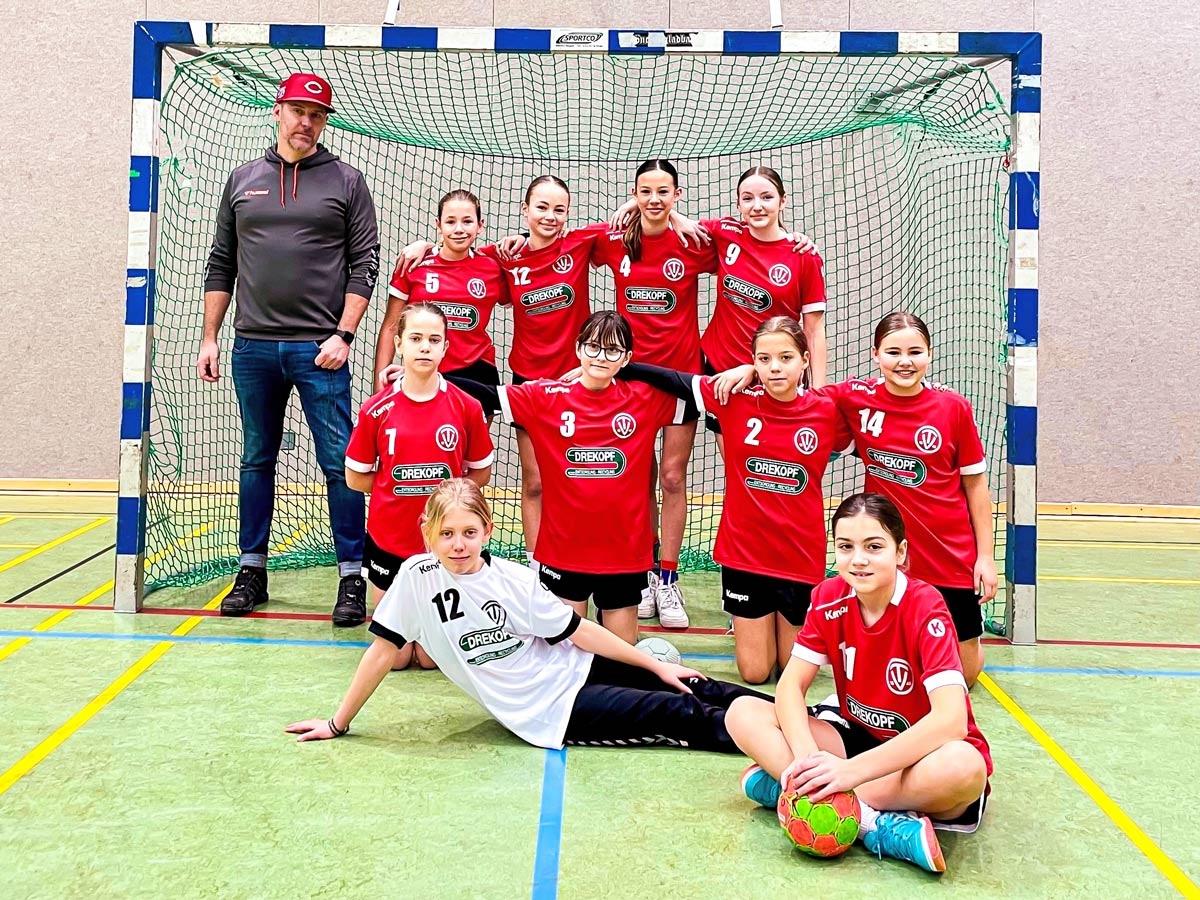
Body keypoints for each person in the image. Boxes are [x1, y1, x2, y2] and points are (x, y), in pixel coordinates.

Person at [285, 479, 775, 751]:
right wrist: (337, 722)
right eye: (447, 533)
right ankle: (787, 753)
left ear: (488, 530)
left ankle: (804, 721)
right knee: (679, 714)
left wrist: (654, 664)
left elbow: (578, 630)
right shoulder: (416, 578)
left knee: (689, 683)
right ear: (427, 532)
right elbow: (380, 654)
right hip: (547, 713)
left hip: (572, 668)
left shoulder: (513, 578)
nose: (459, 544)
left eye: (470, 532)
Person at [725, 493, 993, 874]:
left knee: (965, 768)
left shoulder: (926, 606)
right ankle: (872, 824)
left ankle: (796, 793)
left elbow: (950, 721)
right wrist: (805, 759)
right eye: (846, 547)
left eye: (874, 547)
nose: (859, 559)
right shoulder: (828, 596)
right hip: (857, 738)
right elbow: (789, 688)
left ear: (900, 552)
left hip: (918, 755)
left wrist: (849, 773)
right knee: (742, 712)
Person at [197, 72, 380, 623]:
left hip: (320, 350)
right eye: (298, 110)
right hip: (252, 348)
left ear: (325, 122)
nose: (306, 122)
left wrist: (343, 336)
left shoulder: (347, 180)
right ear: (278, 111)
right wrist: (210, 337)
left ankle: (352, 576)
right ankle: (251, 571)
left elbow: (364, 264)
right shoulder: (242, 180)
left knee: (338, 463)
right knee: (256, 459)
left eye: (317, 114)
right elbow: (221, 263)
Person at [389, 176, 608, 570]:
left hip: (577, 379)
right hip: (526, 379)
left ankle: (585, 559)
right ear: (525, 211)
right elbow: (458, 248)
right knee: (534, 480)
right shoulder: (503, 256)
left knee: (581, 475)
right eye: (541, 207)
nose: (549, 216)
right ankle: (534, 564)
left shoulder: (576, 243)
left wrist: (663, 212)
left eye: (559, 209)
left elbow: (635, 223)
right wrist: (423, 246)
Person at [617, 317, 851, 684]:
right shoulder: (733, 397)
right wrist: (616, 366)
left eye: (786, 357)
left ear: (806, 360)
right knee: (756, 673)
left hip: (800, 557)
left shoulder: (829, 409)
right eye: (764, 358)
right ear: (754, 361)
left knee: (793, 672)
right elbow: (675, 380)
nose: (775, 367)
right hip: (745, 555)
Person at [447, 312, 694, 646]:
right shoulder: (545, 396)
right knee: (567, 657)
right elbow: (487, 394)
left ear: (627, 358)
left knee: (618, 660)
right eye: (592, 347)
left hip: (624, 556)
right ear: (578, 348)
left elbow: (696, 391)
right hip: (564, 553)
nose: (600, 357)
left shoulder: (644, 399)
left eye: (612, 351)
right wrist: (427, 374)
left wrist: (632, 369)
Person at [825, 313, 997, 685]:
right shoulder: (856, 399)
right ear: (875, 355)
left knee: (964, 677)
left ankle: (962, 638)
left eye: (915, 351)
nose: (905, 361)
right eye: (894, 352)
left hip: (949, 554)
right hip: (889, 555)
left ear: (930, 355)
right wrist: (746, 372)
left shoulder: (953, 408)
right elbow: (794, 388)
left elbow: (977, 488)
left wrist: (985, 557)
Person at [591, 159, 719, 629]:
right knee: (639, 479)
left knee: (671, 478)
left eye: (664, 191)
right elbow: (565, 241)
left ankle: (668, 578)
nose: (655, 200)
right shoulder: (616, 239)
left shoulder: (690, 242)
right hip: (631, 379)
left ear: (677, 194)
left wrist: (792, 236)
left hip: (681, 378)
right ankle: (643, 573)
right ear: (634, 193)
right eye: (645, 191)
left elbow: (742, 238)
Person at [343, 302, 494, 652]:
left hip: (443, 546)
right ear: (398, 344)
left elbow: (480, 473)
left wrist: (447, 499)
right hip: (390, 538)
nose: (425, 346)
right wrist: (391, 488)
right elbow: (355, 477)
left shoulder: (466, 406)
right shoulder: (376, 409)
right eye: (415, 338)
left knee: (430, 657)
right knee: (394, 656)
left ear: (445, 347)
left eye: (433, 339)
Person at [376, 190, 509, 390]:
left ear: (480, 226)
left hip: (476, 372)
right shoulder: (413, 264)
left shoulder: (492, 267)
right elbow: (391, 326)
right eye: (450, 222)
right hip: (423, 370)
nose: (459, 229)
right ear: (438, 225)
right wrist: (379, 387)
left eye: (467, 221)